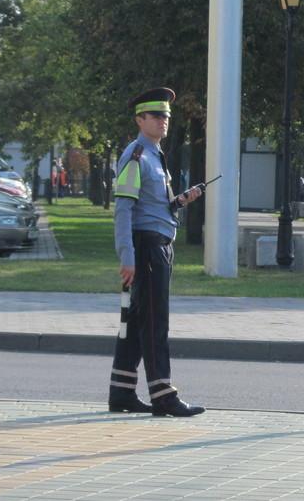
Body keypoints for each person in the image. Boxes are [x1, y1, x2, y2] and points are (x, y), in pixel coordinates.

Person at [109, 87, 205, 418]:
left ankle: (121, 391)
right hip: (147, 248)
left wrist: (178, 202)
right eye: (156, 116)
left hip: (157, 244)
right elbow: (123, 209)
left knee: (137, 322)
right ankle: (163, 396)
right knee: (154, 324)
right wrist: (127, 256)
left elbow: (152, 205)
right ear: (140, 120)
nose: (164, 121)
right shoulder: (137, 155)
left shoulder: (154, 155)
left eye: (166, 116)